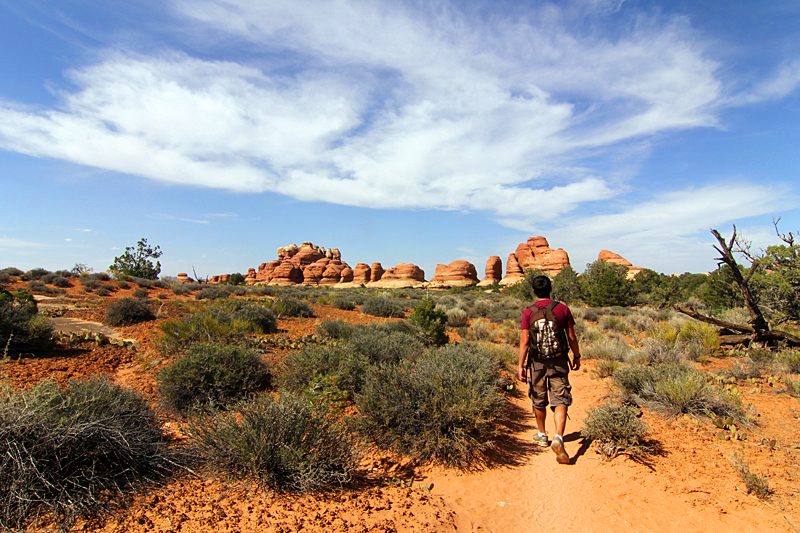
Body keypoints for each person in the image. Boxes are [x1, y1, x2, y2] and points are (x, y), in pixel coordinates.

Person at [518, 275, 581, 464]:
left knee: (538, 397)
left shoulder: (528, 312)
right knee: (560, 397)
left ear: (533, 291)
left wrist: (520, 365)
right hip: (559, 360)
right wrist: (576, 356)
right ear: (551, 289)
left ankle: (542, 434)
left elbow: (525, 341)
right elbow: (571, 337)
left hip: (537, 362)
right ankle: (559, 437)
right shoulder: (562, 309)